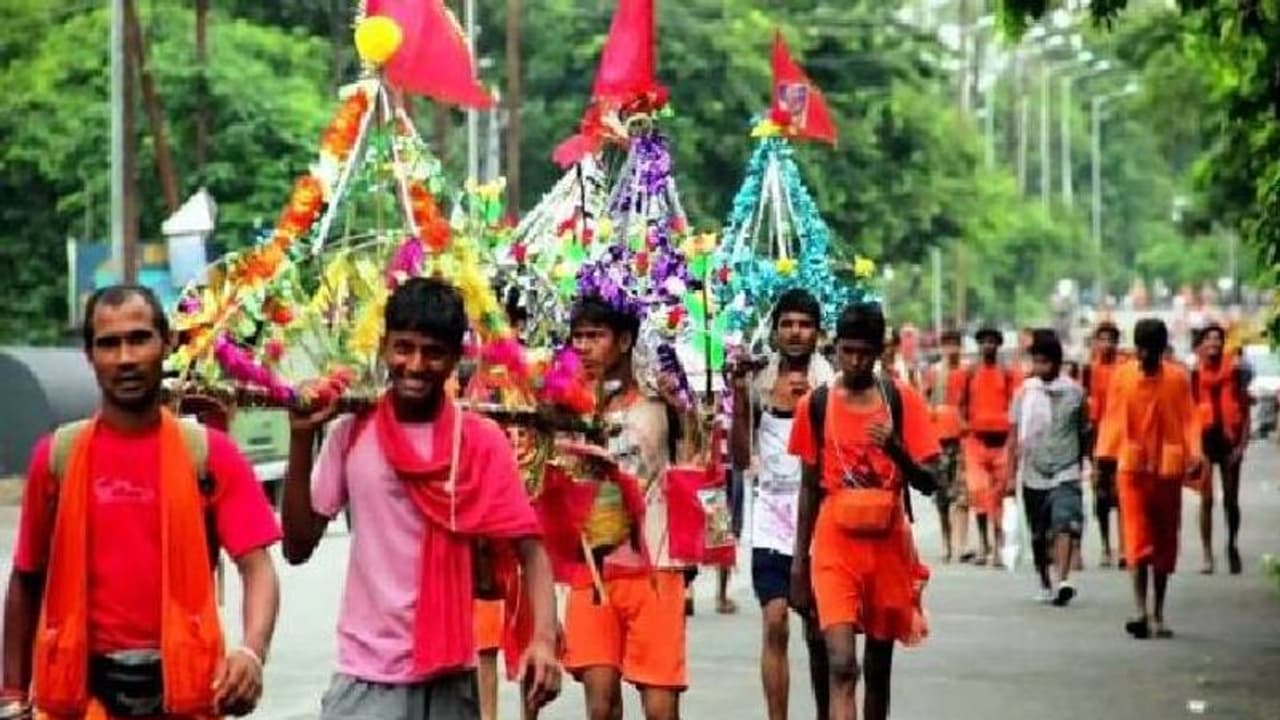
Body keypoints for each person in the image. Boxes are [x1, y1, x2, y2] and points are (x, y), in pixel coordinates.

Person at [282, 277, 560, 720]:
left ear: (454, 359)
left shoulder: (480, 442)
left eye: (432, 352)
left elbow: (531, 550)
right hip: (364, 679)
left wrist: (544, 640)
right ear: (383, 347)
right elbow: (296, 547)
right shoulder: (352, 434)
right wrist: (301, 440)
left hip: (450, 683)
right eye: (403, 347)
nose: (414, 364)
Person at [2, 284, 282, 720]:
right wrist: (12, 694)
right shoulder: (56, 457)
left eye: (139, 338)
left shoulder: (209, 455)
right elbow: (26, 578)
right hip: (81, 696)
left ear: (166, 342)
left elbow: (257, 566)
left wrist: (251, 651)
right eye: (109, 344)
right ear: (89, 355)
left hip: (185, 695)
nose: (125, 358)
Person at [789, 303, 939, 720]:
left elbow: (931, 481)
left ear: (880, 352)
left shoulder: (900, 400)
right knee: (842, 665)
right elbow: (807, 487)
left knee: (878, 667)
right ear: (835, 348)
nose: (855, 361)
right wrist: (800, 563)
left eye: (865, 353)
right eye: (847, 351)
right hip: (835, 547)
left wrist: (897, 451)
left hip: (888, 547)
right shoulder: (815, 405)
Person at [560, 295, 695, 720]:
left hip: (654, 564)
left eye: (595, 336)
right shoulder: (563, 408)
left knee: (659, 707)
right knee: (599, 705)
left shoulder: (658, 406)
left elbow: (687, 463)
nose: (583, 347)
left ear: (623, 342)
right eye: (577, 337)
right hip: (591, 566)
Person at [729, 288, 835, 720]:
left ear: (818, 333)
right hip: (769, 518)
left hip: (820, 519)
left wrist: (815, 404)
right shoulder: (757, 380)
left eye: (804, 324)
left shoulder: (831, 382)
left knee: (818, 631)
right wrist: (738, 395)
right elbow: (739, 457)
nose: (795, 332)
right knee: (774, 622)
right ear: (774, 332)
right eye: (787, 324)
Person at [1096, 319, 1201, 639]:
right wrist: (1104, 459)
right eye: (1142, 350)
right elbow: (1112, 416)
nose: (1146, 357)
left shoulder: (1177, 379)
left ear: (1161, 350)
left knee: (1165, 540)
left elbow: (1188, 419)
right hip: (1132, 466)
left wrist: (1194, 455)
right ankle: (1140, 610)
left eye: (1152, 351)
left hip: (1167, 470)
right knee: (1137, 539)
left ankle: (1159, 612)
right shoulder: (1123, 376)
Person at [1008, 330, 1087, 606]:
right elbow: (1014, 435)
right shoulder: (1024, 393)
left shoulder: (1075, 393)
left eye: (1045, 362)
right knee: (1039, 534)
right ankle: (1044, 580)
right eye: (1036, 361)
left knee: (1064, 523)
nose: (1041, 367)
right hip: (1034, 471)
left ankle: (1063, 579)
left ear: (1057, 362)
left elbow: (1083, 431)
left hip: (1065, 470)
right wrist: (1010, 475)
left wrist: (1087, 464)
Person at [1191, 323, 1249, 575]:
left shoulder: (1235, 372)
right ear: (1201, 344)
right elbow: (1186, 413)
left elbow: (1245, 410)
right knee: (1206, 500)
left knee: (1231, 500)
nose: (1213, 343)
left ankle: (1232, 544)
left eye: (1218, 339)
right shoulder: (1194, 375)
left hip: (1229, 440)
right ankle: (1207, 554)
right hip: (1204, 440)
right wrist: (1192, 449)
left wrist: (1242, 445)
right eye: (1209, 339)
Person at [960, 327, 1020, 567]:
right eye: (983, 341)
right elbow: (962, 405)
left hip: (1001, 443)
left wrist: (1013, 440)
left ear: (998, 345)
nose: (988, 345)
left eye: (992, 342)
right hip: (976, 443)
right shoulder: (970, 373)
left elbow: (1016, 406)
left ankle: (997, 547)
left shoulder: (1007, 373)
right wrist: (965, 426)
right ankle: (983, 544)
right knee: (979, 493)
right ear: (978, 345)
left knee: (997, 498)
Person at [922, 329, 971, 563]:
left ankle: (962, 544)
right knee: (942, 496)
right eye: (948, 344)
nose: (951, 349)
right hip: (938, 440)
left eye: (955, 344)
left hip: (961, 438)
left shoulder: (967, 372)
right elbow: (924, 401)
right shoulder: (933, 373)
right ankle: (947, 543)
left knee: (962, 493)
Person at [1083, 322, 1124, 568]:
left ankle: (1124, 547)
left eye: (1111, 339)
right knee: (1100, 495)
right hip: (1098, 437)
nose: (1107, 344)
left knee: (1121, 495)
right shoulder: (1089, 370)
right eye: (1103, 339)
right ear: (1096, 343)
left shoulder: (1125, 369)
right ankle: (1106, 546)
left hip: (1120, 437)